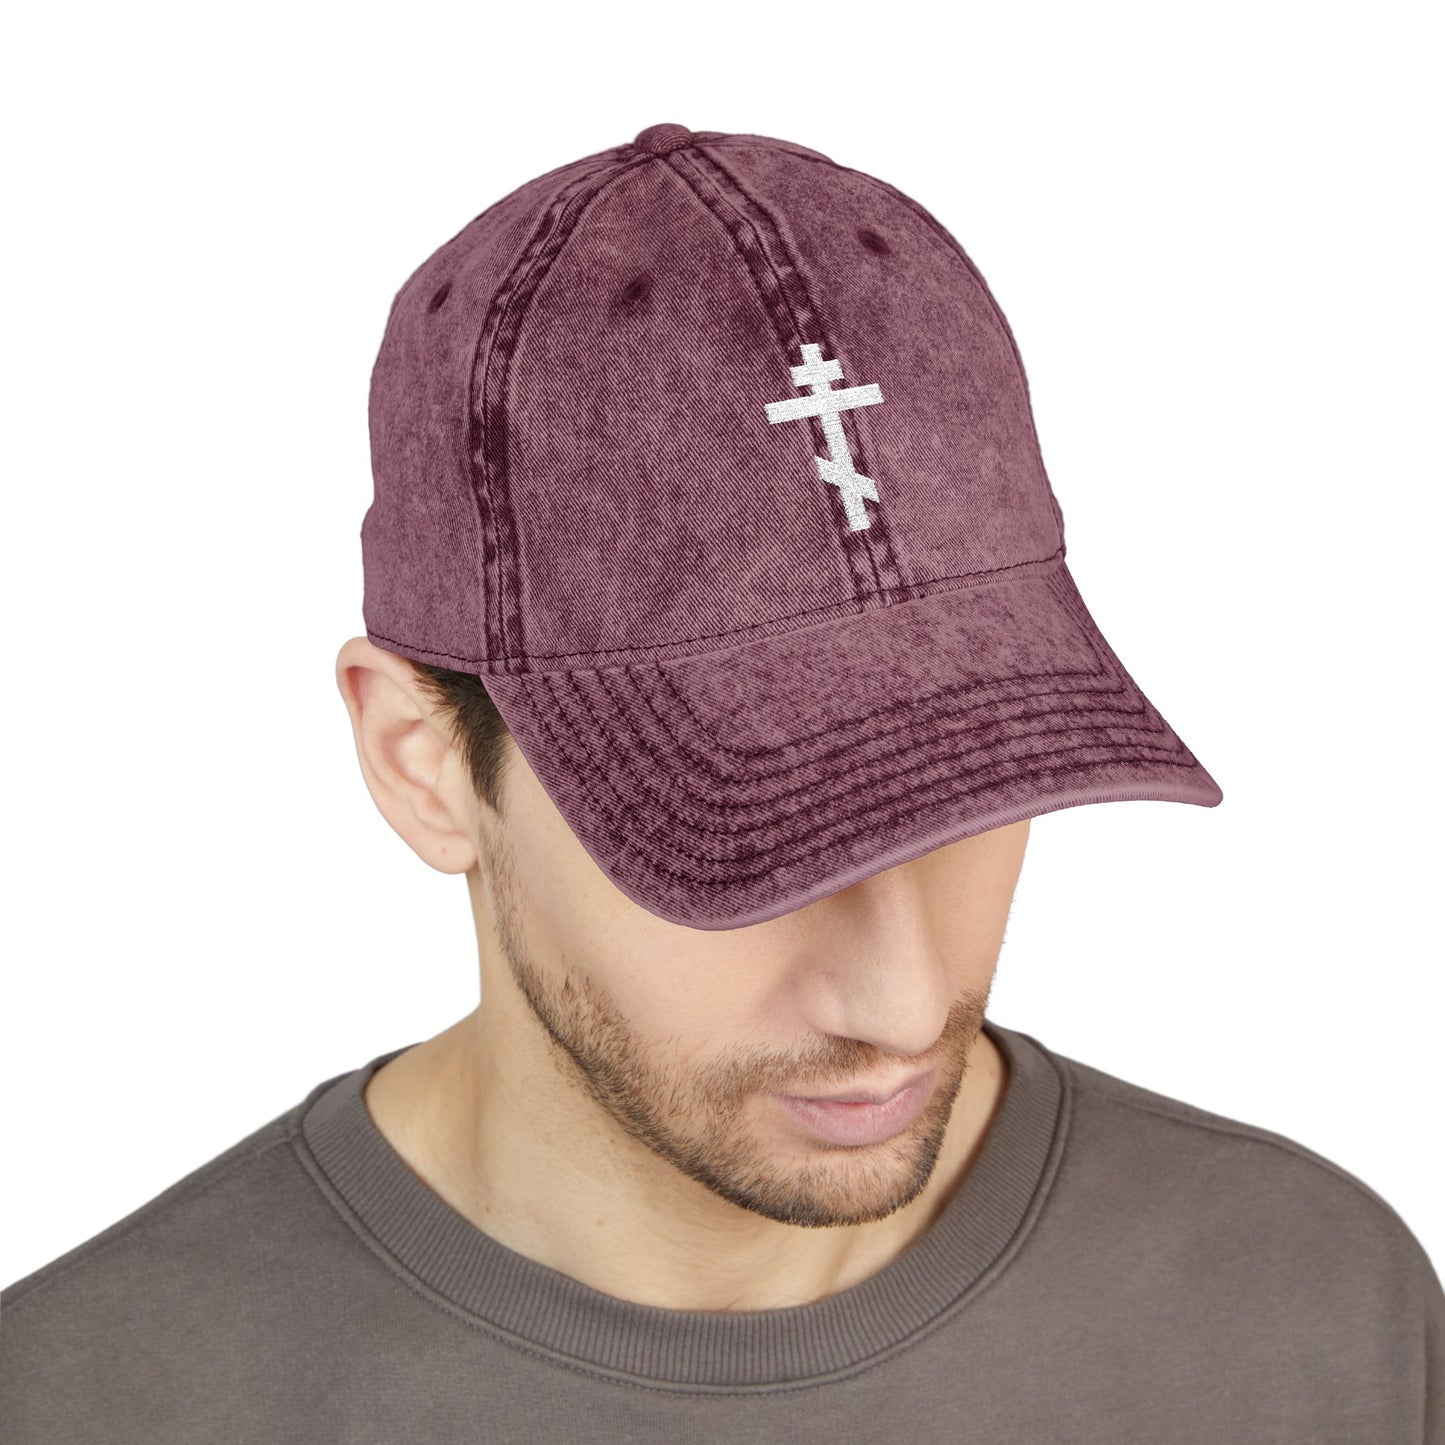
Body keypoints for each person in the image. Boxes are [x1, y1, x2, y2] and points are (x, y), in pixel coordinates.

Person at [3, 122, 1440, 1443]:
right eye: (756, 843)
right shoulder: (93, 1397)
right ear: (422, 761)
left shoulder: (1308, 1310)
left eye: (965, 792)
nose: (896, 1002)